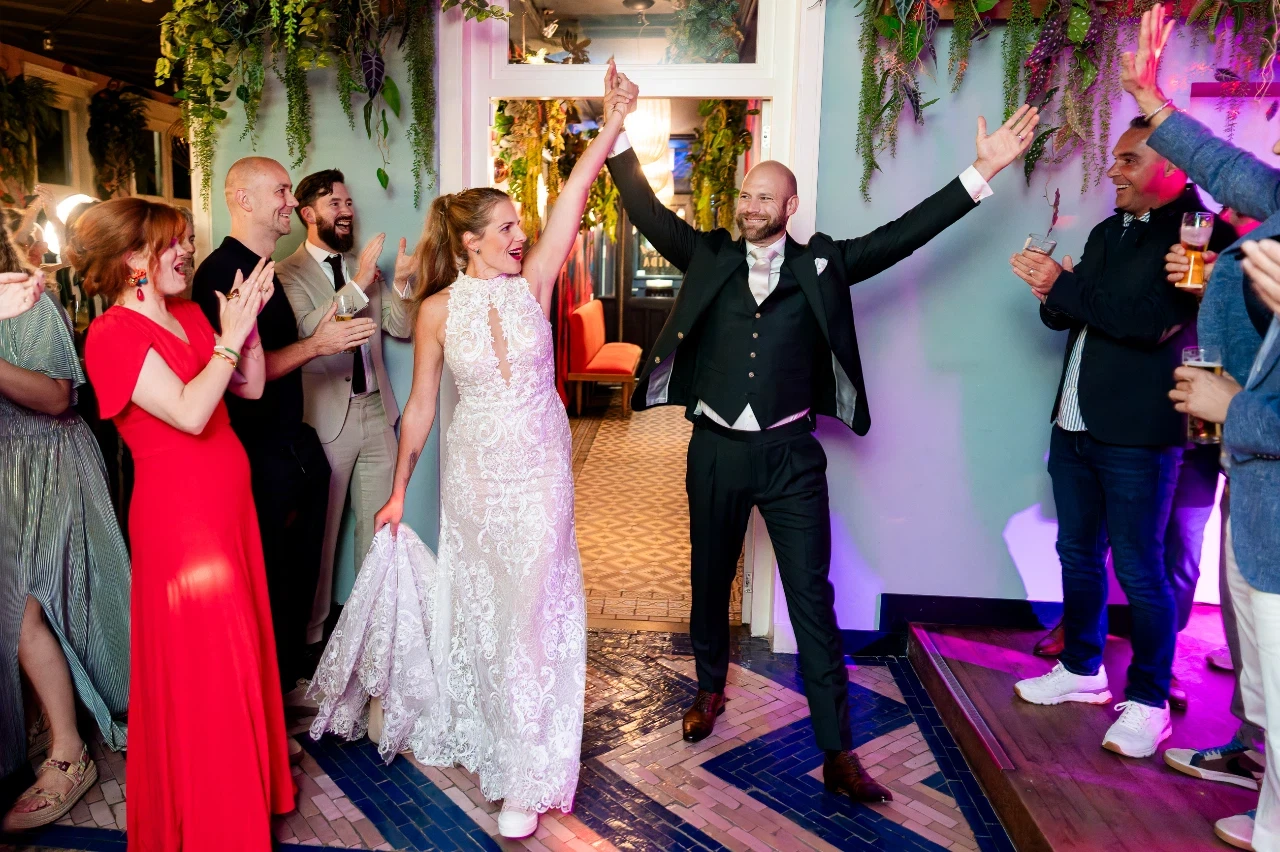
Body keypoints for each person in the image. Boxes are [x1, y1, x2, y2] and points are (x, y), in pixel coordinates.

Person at [604, 69, 1036, 801]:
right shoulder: (709, 254)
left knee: (812, 598)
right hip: (714, 450)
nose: (748, 207)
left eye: (762, 198)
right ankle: (709, 687)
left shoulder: (823, 264)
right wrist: (615, 125)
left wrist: (981, 171)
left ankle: (838, 753)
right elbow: (643, 206)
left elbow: (903, 237)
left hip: (791, 458)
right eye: (744, 195)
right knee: (708, 579)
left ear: (789, 206)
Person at [310, 63, 640, 843]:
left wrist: (613, 122)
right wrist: (400, 490)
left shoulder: (534, 284)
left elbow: (574, 199)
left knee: (532, 612)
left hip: (541, 474)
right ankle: (492, 733)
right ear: (469, 241)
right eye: (507, 227)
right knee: (489, 614)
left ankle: (526, 772)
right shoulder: (435, 311)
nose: (521, 235)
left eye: (520, 226)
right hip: (474, 481)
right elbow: (422, 406)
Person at [75, 197, 293, 850]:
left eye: (186, 240)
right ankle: (216, 822)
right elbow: (191, 414)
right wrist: (229, 340)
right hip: (182, 523)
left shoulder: (194, 315)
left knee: (239, 651)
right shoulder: (111, 335)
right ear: (132, 258)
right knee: (206, 664)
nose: (187, 252)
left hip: (229, 512)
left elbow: (250, 387)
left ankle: (244, 795)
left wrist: (246, 327)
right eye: (172, 242)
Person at [1119, 7, 1280, 845]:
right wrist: (1151, 100)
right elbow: (1224, 163)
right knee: (1259, 672)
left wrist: (1231, 407)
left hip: (1260, 463)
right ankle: (1264, 784)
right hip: (1254, 487)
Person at [191, 158, 362, 709]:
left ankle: (283, 686)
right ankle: (262, 697)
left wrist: (325, 331)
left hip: (293, 444)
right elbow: (244, 378)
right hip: (257, 452)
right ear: (243, 199)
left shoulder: (263, 267)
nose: (291, 202)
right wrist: (317, 346)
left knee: (294, 572)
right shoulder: (223, 272)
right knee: (267, 576)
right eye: (282, 191)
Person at [0, 287, 131, 832]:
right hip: (8, 466)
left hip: (49, 460)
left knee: (24, 607)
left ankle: (69, 750)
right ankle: (40, 716)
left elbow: (58, 397)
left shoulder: (27, 299)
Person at [274, 169, 413, 648]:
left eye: (349, 202)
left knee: (378, 536)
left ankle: (371, 641)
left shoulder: (361, 266)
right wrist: (357, 282)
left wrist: (402, 284)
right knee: (320, 539)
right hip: (327, 421)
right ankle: (312, 642)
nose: (347, 210)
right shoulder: (286, 273)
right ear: (307, 214)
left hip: (377, 412)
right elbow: (309, 331)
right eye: (335, 203)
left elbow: (399, 328)